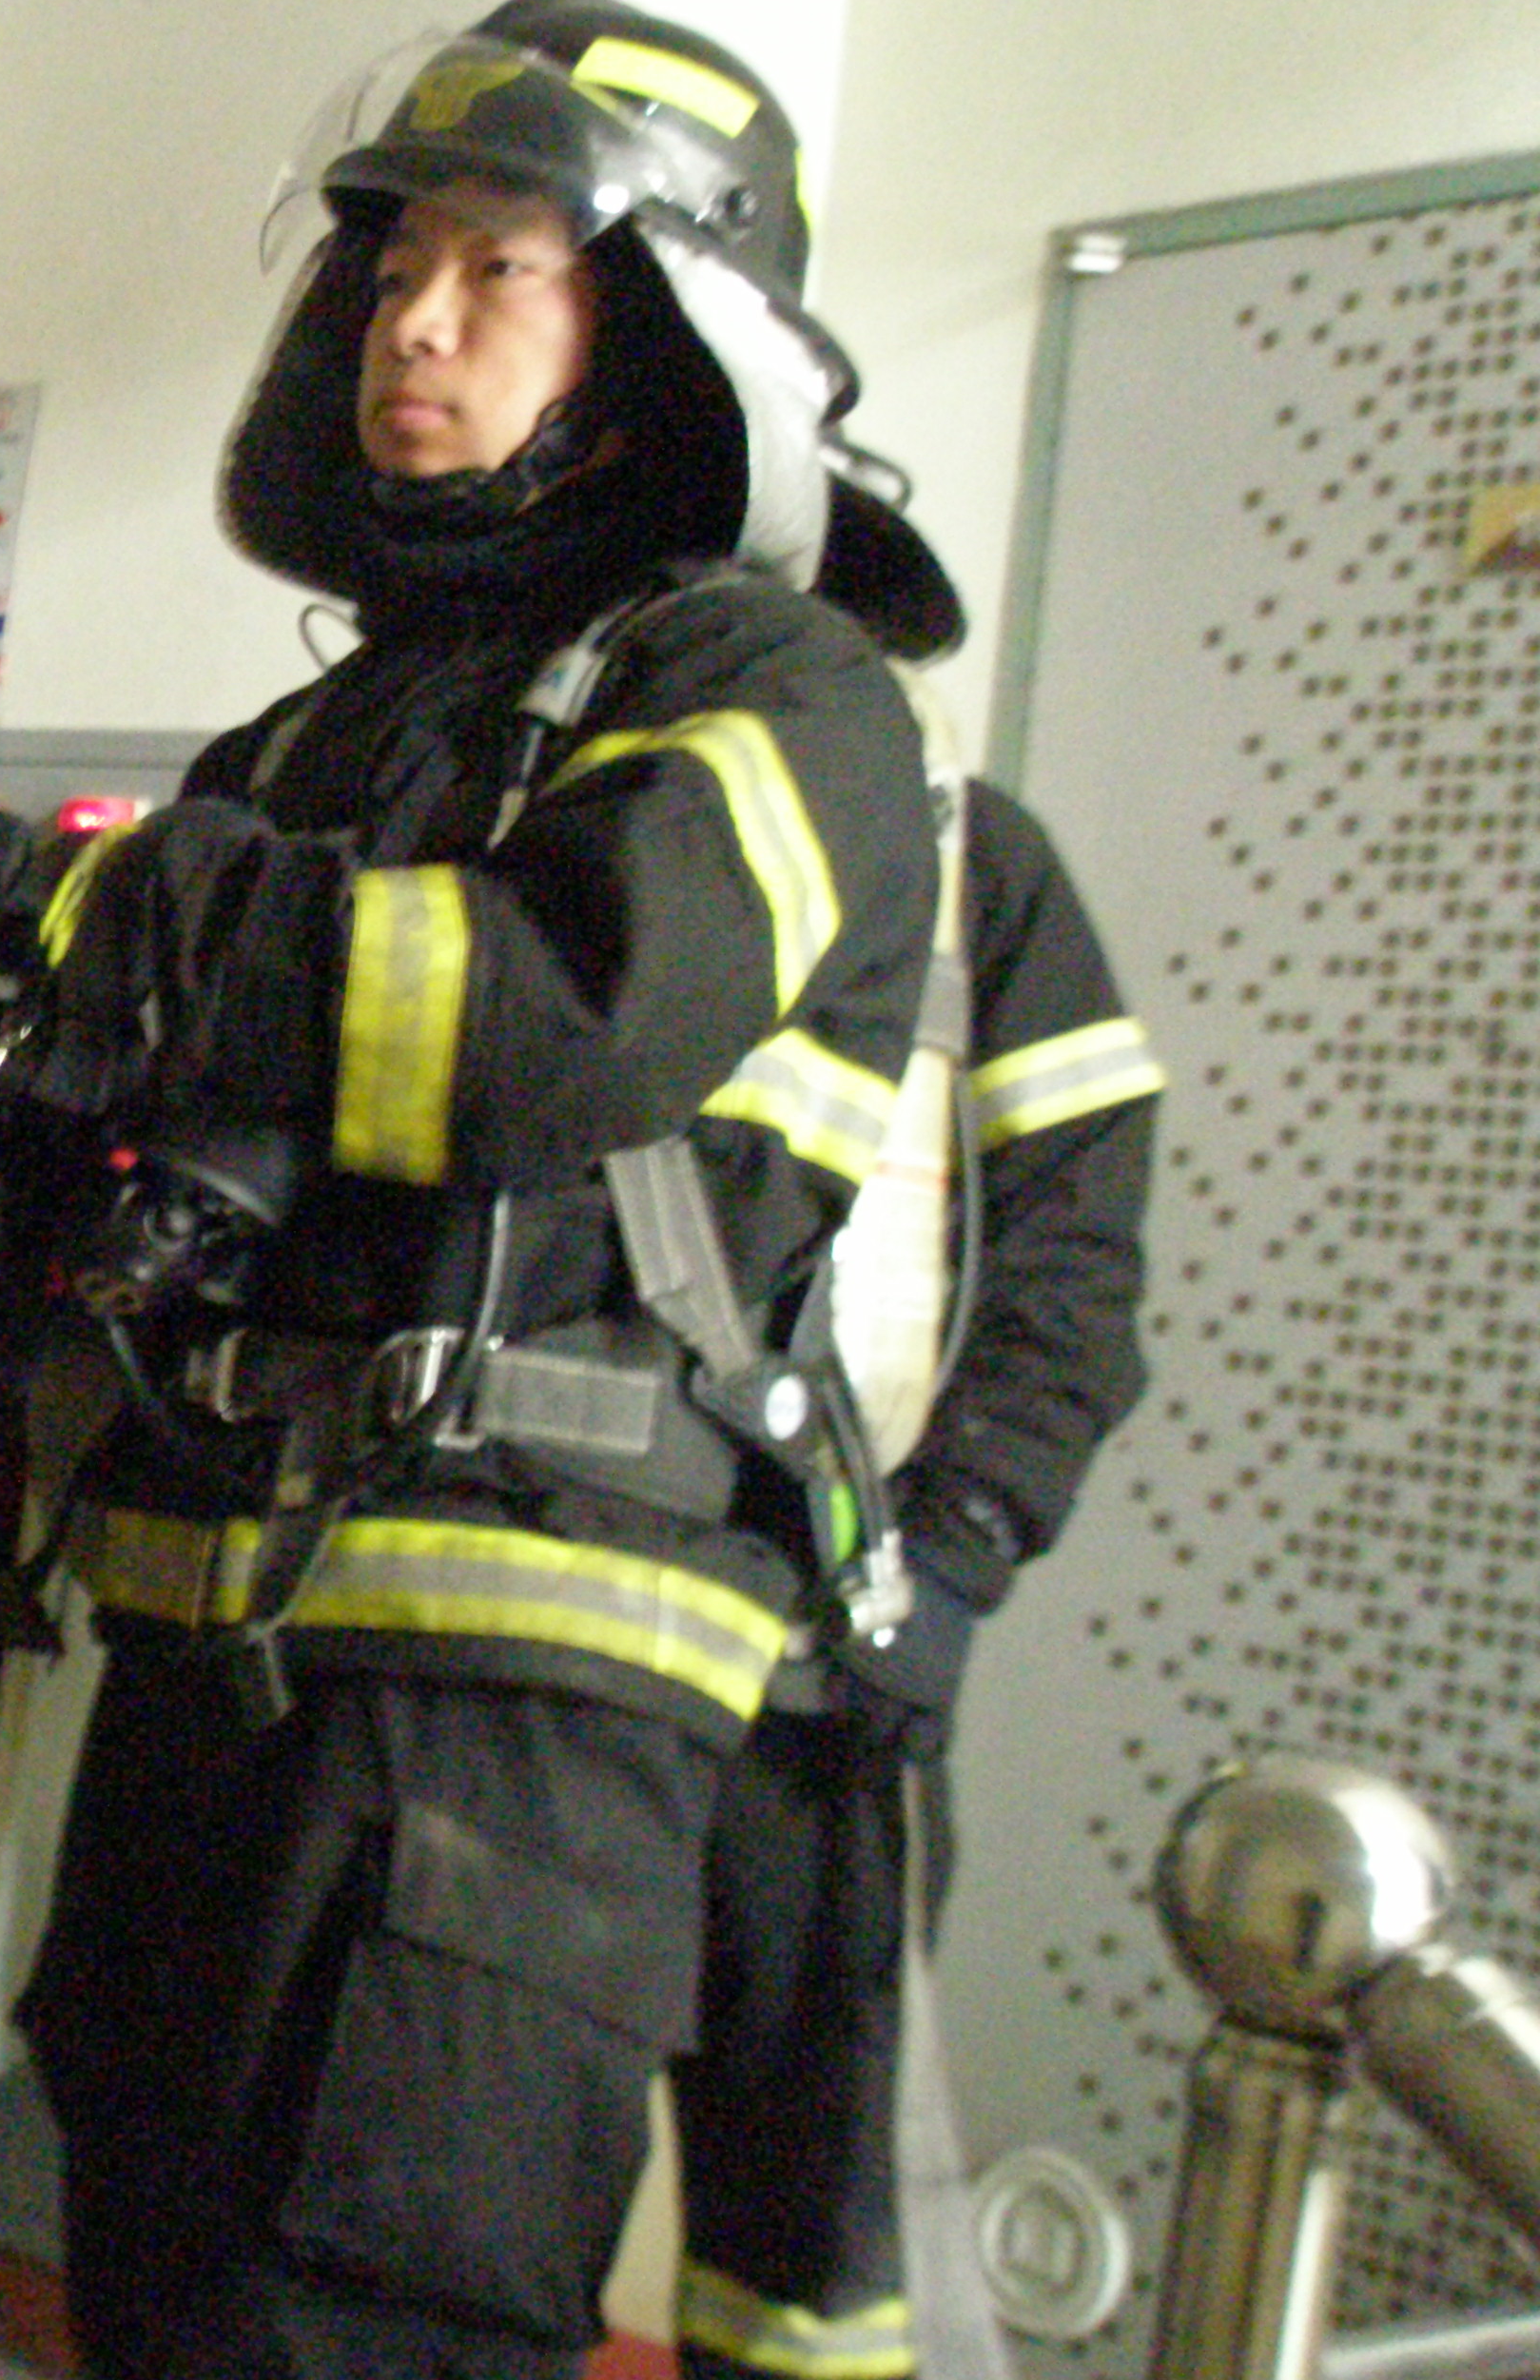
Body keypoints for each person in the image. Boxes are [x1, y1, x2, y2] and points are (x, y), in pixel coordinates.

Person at [0, 0, 944, 2380]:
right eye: (397, 265)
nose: (410, 322)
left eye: (499, 268)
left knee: (355, 2328)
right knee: (157, 2310)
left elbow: (546, 1023)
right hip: (212, 1659)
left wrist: (73, 904)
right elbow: (144, 1115)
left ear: (671, 330)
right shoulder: (317, 731)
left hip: (506, 1718)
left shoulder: (784, 694)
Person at [671, 771, 1161, 2380]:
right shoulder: (595, 782)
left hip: (826, 1672)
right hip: (539, 1657)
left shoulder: (965, 858)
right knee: (468, 2177)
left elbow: (1073, 1243)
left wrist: (956, 1551)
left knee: (813, 2245)